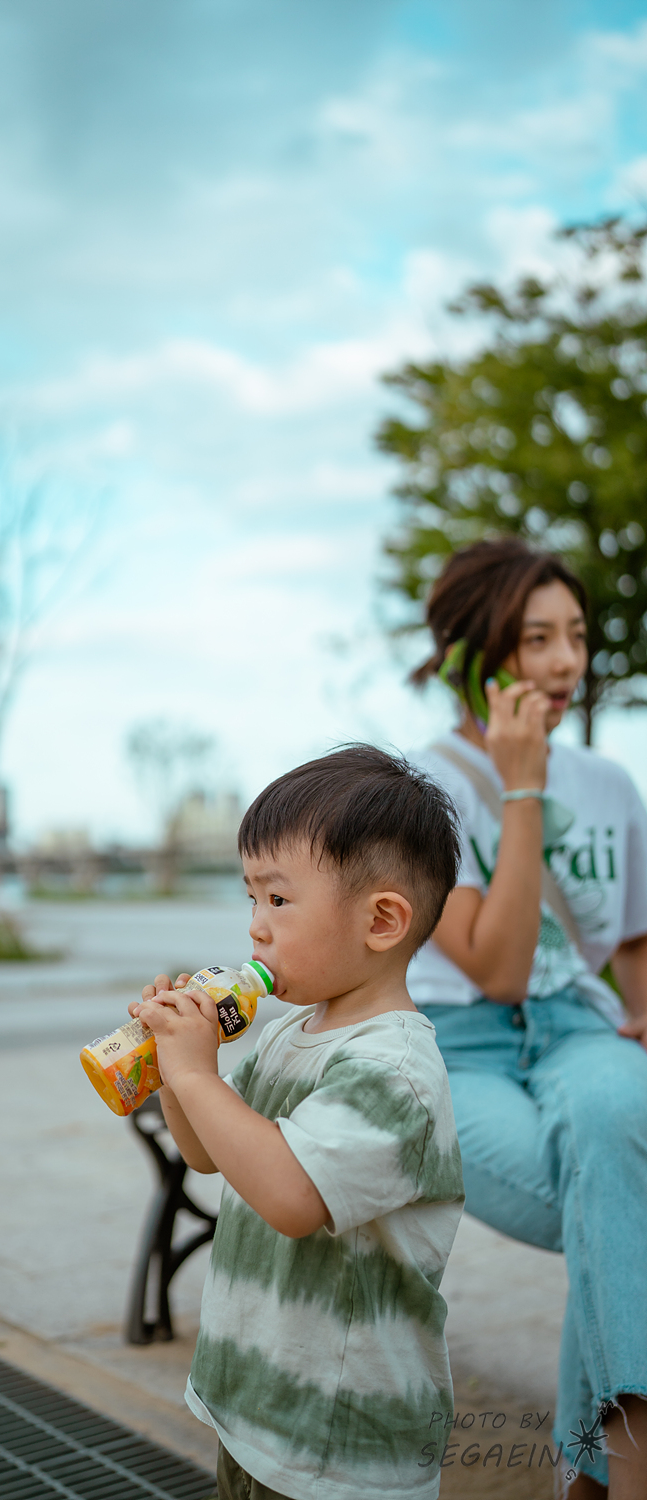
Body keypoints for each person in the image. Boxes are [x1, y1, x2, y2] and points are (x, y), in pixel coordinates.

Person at [132, 746, 465, 1500]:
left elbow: (291, 1196)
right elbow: (208, 1154)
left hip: (338, 1444)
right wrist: (177, 1069)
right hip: (256, 1406)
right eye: (251, 899)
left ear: (381, 920)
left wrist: (195, 1073)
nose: (256, 928)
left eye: (278, 900)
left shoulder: (395, 1070)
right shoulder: (290, 1032)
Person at [406, 537, 647, 1499]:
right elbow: (499, 969)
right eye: (535, 638)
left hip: (581, 1030)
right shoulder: (417, 790)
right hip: (465, 1049)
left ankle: (603, 1477)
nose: (564, 662)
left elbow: (633, 938)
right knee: (620, 1207)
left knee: (619, 1146)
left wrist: (642, 1013)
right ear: (470, 652)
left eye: (576, 636)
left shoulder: (612, 785)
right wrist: (519, 784)